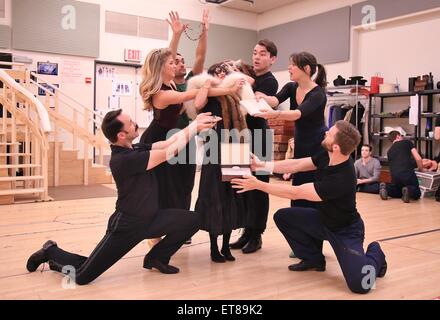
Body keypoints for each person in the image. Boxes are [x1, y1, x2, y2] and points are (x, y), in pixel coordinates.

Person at [25, 110, 220, 284]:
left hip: (153, 219)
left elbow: (168, 142)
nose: (136, 124)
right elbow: (170, 151)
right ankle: (51, 251)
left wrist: (194, 123)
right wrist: (195, 126)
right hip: (128, 225)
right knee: (84, 275)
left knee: (194, 219)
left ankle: (157, 258)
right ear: (121, 135)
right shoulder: (123, 160)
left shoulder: (135, 149)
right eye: (131, 123)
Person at [231, 120, 387, 294]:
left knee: (361, 285)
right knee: (283, 217)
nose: (325, 132)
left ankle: (376, 253)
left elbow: (295, 193)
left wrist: (258, 185)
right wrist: (263, 165)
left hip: (345, 230)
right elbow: (297, 164)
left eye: (330, 133)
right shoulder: (327, 154)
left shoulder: (341, 178)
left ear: (336, 147)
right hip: (323, 220)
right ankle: (313, 259)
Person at [193, 62, 252, 263]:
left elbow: (249, 81)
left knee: (232, 194)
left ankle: (226, 246)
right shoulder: (208, 89)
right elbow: (198, 104)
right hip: (215, 147)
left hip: (235, 147)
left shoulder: (235, 92)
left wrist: (234, 79)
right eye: (219, 70)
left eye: (225, 71)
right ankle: (213, 248)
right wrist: (211, 85)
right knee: (214, 194)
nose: (222, 73)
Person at [254, 51, 328, 209]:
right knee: (298, 178)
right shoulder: (291, 86)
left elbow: (297, 114)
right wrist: (263, 97)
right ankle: (298, 212)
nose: (289, 68)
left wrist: (276, 114)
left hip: (317, 143)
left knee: (312, 180)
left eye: (293, 64)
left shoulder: (318, 94)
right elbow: (275, 99)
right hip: (300, 141)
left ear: (306, 69)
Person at [229, 39, 279, 254]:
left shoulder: (269, 82)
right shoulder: (245, 76)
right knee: (240, 184)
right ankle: (245, 231)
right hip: (239, 135)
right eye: (255, 52)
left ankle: (256, 234)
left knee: (259, 186)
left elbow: (252, 106)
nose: (257, 57)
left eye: (263, 54)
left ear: (272, 59)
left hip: (259, 137)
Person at [166, 10, 209, 244]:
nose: (181, 63)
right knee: (168, 185)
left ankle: (180, 230)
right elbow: (168, 56)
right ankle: (165, 224)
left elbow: (200, 56)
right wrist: (176, 35)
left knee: (185, 186)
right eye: (177, 61)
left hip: (189, 140)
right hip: (169, 138)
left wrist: (204, 31)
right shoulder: (168, 83)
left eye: (183, 61)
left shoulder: (193, 81)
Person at [379, 131, 425, 203]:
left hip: (394, 176)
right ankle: (408, 190)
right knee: (416, 192)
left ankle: (387, 189)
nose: (402, 137)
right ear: (398, 136)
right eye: (402, 136)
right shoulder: (407, 142)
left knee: (398, 191)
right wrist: (421, 169)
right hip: (407, 174)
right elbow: (418, 158)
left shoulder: (389, 151)